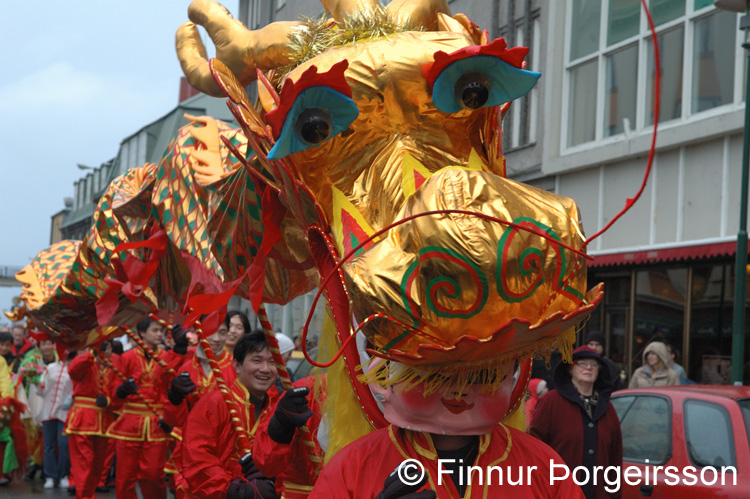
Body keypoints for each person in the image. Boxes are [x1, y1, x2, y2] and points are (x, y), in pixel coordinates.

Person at [311, 359, 583, 498]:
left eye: (481, 375)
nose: (460, 389)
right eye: (437, 374)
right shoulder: (354, 465)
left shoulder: (541, 466)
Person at [182, 331, 279, 498]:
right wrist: (233, 490)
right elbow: (196, 456)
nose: (265, 369)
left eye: (272, 362)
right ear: (237, 365)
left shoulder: (277, 409)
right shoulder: (214, 403)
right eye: (257, 360)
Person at [106, 317, 189, 499]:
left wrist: (179, 349)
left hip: (157, 423)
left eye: (161, 330)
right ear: (142, 333)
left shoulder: (167, 356)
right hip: (129, 423)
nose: (159, 334)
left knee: (153, 474)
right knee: (125, 477)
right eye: (155, 330)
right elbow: (113, 393)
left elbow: (170, 380)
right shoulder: (126, 357)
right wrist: (122, 390)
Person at [529, 346, 622, 499]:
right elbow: (534, 450)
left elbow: (615, 459)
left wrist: (613, 494)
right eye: (582, 363)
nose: (588, 368)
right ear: (570, 369)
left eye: (594, 365)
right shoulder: (551, 402)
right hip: (558, 493)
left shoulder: (607, 408)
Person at [164, 319, 236, 498]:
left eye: (222, 332)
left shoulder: (236, 367)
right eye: (210, 331)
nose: (217, 338)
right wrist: (175, 397)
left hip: (227, 446)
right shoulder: (187, 367)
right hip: (190, 445)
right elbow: (176, 419)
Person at [64, 340, 119, 499]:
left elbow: (116, 392)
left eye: (108, 347)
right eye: (102, 347)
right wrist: (92, 353)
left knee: (98, 465)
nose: (105, 351)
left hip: (103, 421)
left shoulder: (112, 367)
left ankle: (89, 494)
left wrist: (109, 401)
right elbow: (73, 370)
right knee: (84, 464)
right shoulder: (85, 362)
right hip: (82, 420)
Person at [31, 340, 73, 490]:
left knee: (64, 444)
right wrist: (35, 382)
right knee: (48, 445)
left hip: (65, 412)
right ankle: (50, 475)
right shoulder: (49, 368)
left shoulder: (74, 369)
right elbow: (42, 391)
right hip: (48, 410)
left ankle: (64, 475)